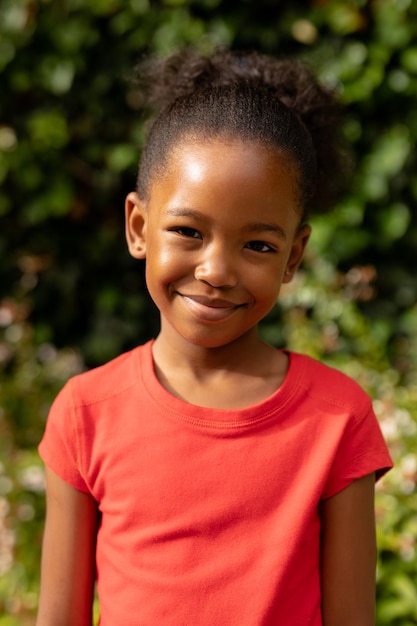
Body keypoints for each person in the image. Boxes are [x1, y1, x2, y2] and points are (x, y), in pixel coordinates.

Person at [36, 48, 393, 626]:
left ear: (293, 256)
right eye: (187, 231)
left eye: (258, 245)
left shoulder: (337, 419)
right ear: (137, 227)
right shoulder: (85, 415)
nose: (217, 270)